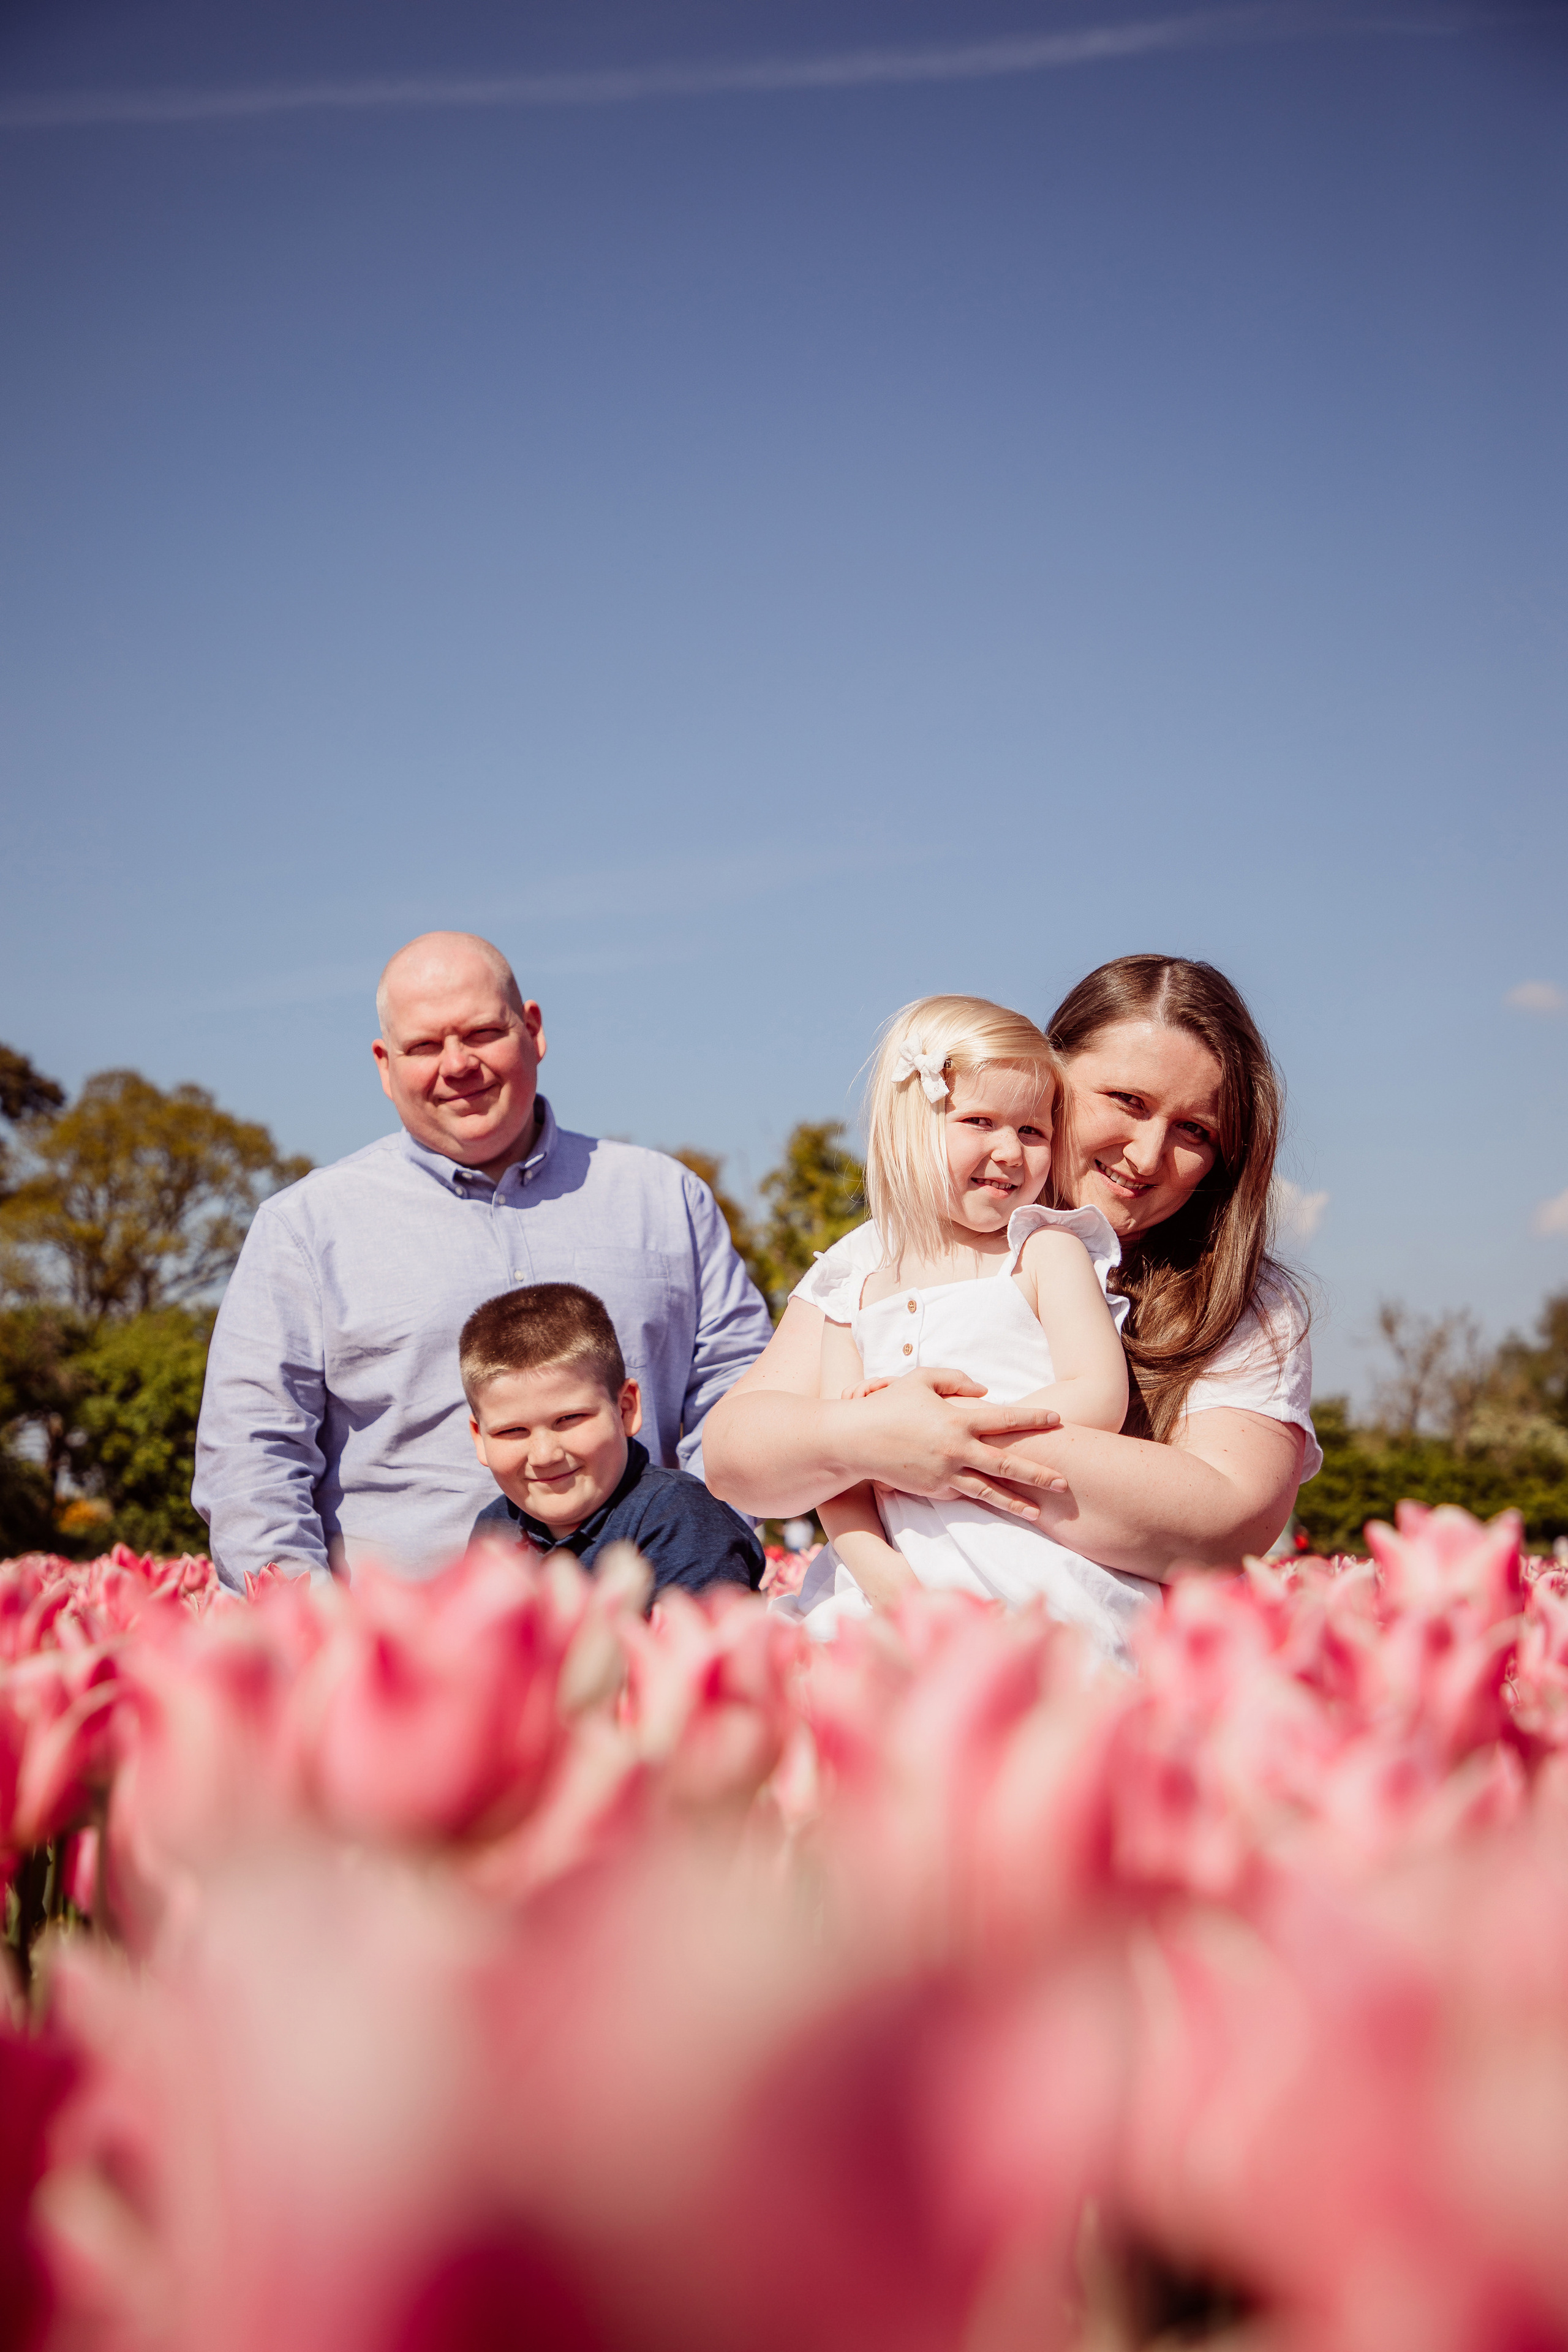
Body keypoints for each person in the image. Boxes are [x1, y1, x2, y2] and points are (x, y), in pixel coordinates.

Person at [703, 956, 1319, 1613]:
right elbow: (737, 1453)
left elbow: (1228, 1520)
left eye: (1195, 1130)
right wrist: (867, 1441)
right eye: (1126, 1101)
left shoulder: (1242, 1300)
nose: (1146, 1156)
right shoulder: (878, 1256)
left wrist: (940, 1439)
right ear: (1052, 1076)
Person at [193, 932, 772, 1589]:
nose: (457, 1064)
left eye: (482, 1033)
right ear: (384, 1064)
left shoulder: (666, 1198)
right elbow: (251, 1457)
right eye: (423, 1046)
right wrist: (310, 1627)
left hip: (652, 1620)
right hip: (402, 1636)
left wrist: (699, 1562)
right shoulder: (302, 1229)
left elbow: (740, 1393)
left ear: (533, 1030)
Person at [791, 995, 1148, 1658]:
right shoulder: (854, 1286)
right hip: (891, 1582)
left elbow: (1098, 1394)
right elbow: (836, 1474)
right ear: (909, 1127)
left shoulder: (1044, 1252)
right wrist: (888, 1583)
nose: (1009, 1151)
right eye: (979, 1121)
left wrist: (944, 1433)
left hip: (1030, 1562)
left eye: (1033, 1131)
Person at [464, 1283, 763, 1599]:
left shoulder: (681, 1518)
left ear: (625, 1410)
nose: (544, 1455)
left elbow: (694, 1630)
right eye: (512, 1431)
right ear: (479, 1438)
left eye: (569, 1419)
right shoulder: (495, 1529)